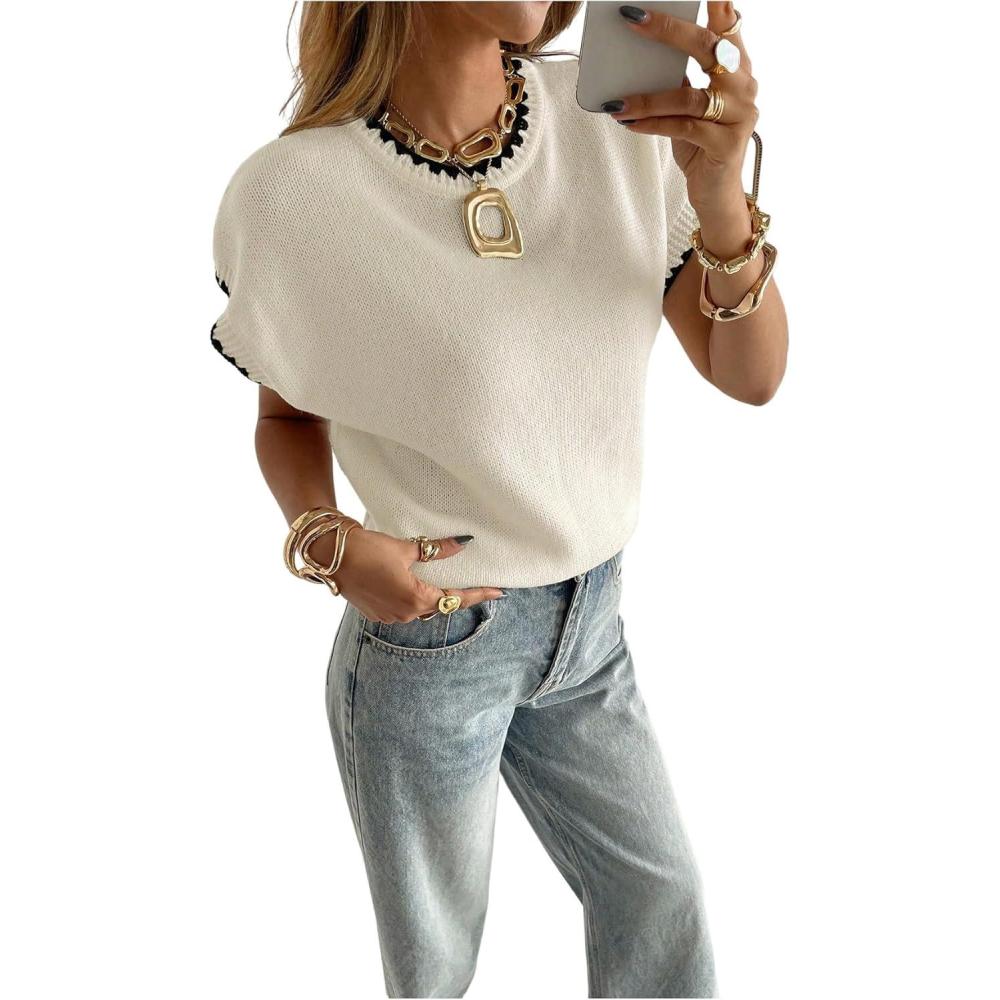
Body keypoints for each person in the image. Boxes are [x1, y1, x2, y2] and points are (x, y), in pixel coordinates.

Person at [209, 2, 787, 996]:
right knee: (435, 969)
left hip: (591, 627)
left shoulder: (619, 126)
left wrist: (720, 195)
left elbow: (752, 375)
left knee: (661, 907)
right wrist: (329, 543)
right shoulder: (294, 194)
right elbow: (287, 418)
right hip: (430, 642)